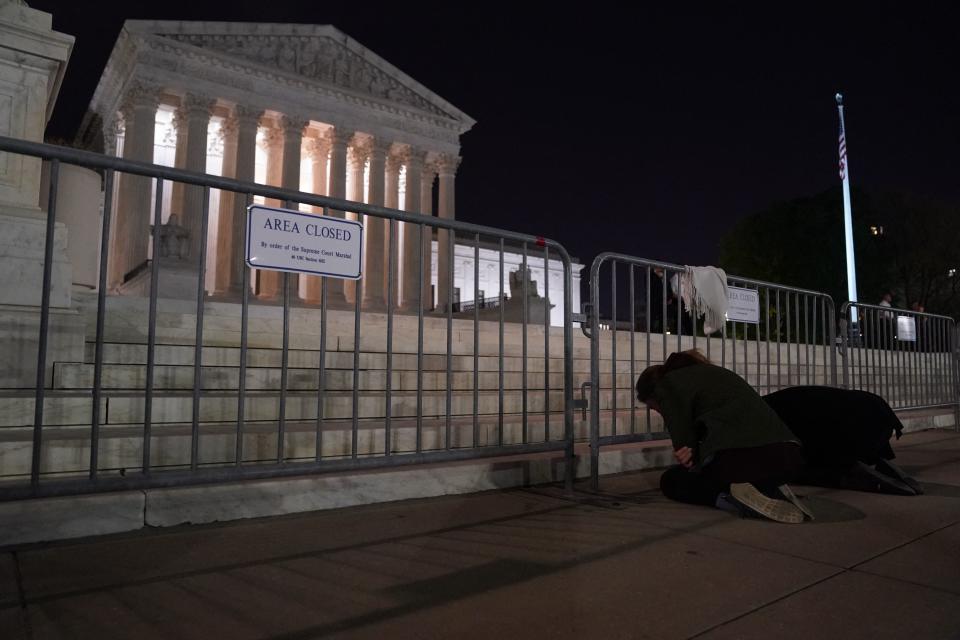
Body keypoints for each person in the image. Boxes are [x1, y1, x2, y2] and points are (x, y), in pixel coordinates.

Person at [636, 349, 812, 523]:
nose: (659, 412)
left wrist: (688, 453)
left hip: (747, 459)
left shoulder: (667, 385)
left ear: (654, 394)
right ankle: (768, 488)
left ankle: (734, 501)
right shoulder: (711, 376)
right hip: (790, 458)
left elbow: (684, 444)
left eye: (654, 407)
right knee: (717, 466)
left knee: (673, 480)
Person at [762, 386, 922, 495]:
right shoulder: (767, 403)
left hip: (851, 424)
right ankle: (876, 460)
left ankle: (848, 473)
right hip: (874, 410)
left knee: (789, 468)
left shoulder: (759, 415)